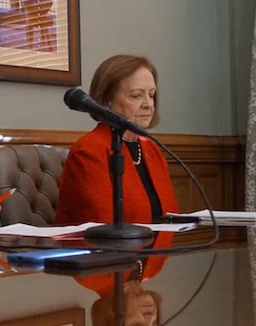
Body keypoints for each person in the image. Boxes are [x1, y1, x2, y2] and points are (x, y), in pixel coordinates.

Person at [55, 54, 179, 225]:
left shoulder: (152, 150)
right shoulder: (88, 151)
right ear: (107, 102)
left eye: (151, 95)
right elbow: (101, 227)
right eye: (136, 95)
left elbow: (170, 217)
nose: (148, 104)